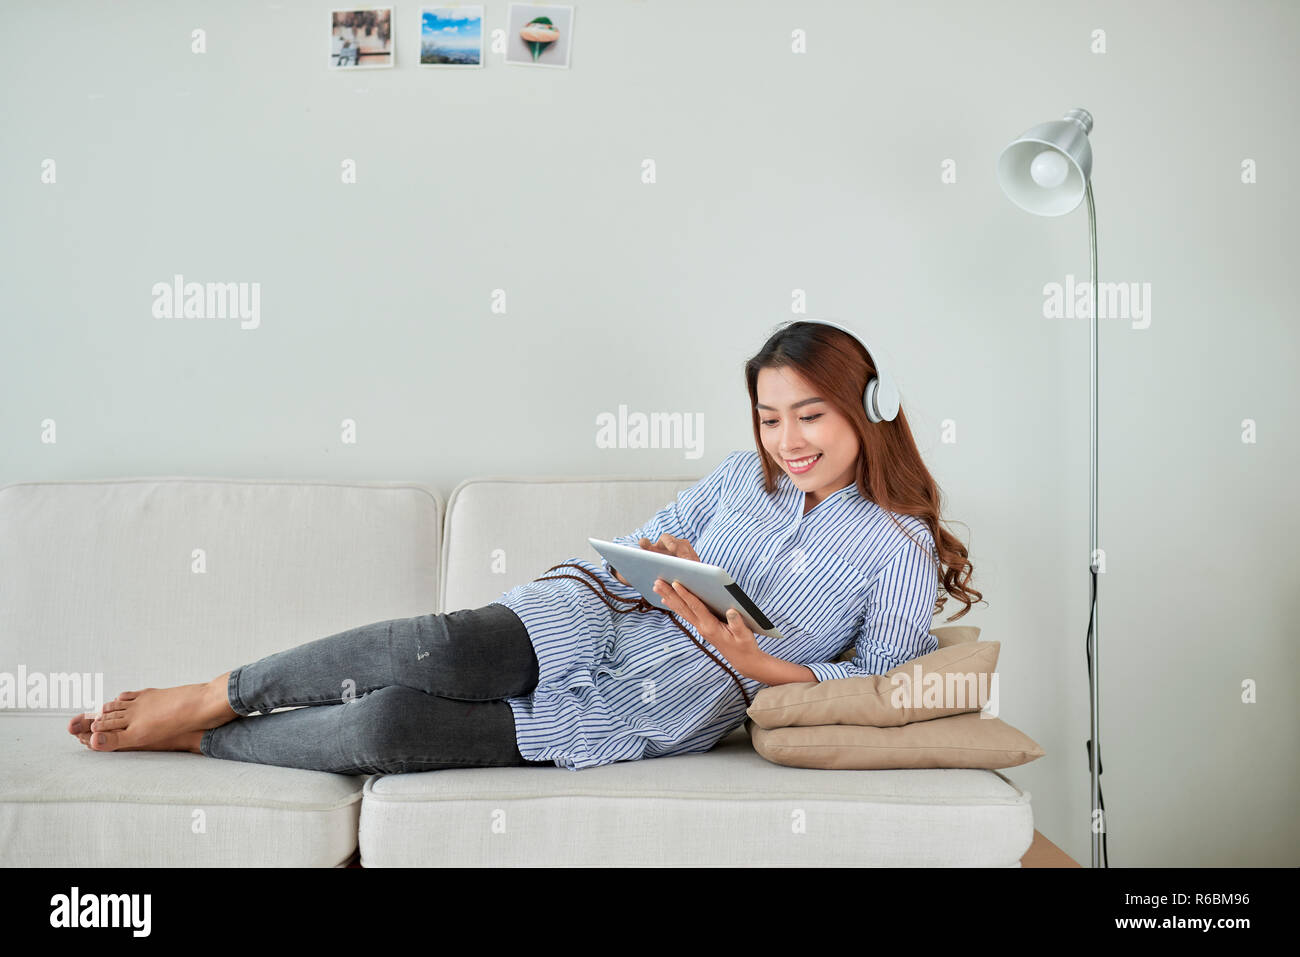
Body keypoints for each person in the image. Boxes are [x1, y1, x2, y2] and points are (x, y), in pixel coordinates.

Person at [67, 321, 983, 773]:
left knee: (390, 724)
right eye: (770, 416)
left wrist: (761, 662)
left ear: (867, 408)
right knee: (444, 646)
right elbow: (639, 542)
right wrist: (654, 553)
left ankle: (203, 742)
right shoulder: (743, 477)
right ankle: (212, 692)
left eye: (810, 415)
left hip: (670, 692)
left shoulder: (896, 545)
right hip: (600, 612)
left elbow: (880, 686)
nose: (788, 440)